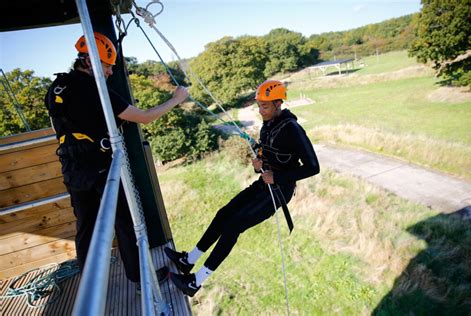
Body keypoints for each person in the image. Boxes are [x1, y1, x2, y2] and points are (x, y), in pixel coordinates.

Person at [44, 32, 189, 285]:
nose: (110, 72)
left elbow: (59, 127)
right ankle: (139, 280)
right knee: (125, 222)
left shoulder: (57, 88)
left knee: (86, 227)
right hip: (100, 168)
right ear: (89, 61)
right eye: (107, 65)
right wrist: (176, 99)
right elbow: (144, 116)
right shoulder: (99, 91)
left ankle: (89, 283)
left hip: (72, 168)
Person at [165, 80, 319, 296]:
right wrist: (260, 164)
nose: (260, 111)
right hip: (264, 184)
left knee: (233, 226)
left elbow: (313, 167)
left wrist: (276, 176)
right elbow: (269, 155)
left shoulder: (293, 129)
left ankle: (195, 282)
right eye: (259, 106)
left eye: (265, 106)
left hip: (278, 192)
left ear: (278, 104)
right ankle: (188, 260)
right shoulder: (268, 125)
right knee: (224, 214)